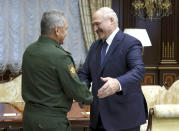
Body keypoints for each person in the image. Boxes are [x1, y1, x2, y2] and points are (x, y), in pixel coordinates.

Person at [21, 9, 93, 131]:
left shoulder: (29, 51)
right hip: (51, 122)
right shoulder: (61, 56)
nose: (66, 33)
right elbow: (75, 88)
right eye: (65, 29)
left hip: (29, 118)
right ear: (57, 30)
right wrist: (89, 97)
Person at [78, 7, 148, 131]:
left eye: (97, 24)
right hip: (97, 118)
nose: (94, 29)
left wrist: (118, 83)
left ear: (111, 20)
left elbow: (139, 70)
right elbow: (85, 73)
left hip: (124, 118)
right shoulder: (95, 46)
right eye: (93, 25)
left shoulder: (130, 43)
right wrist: (83, 91)